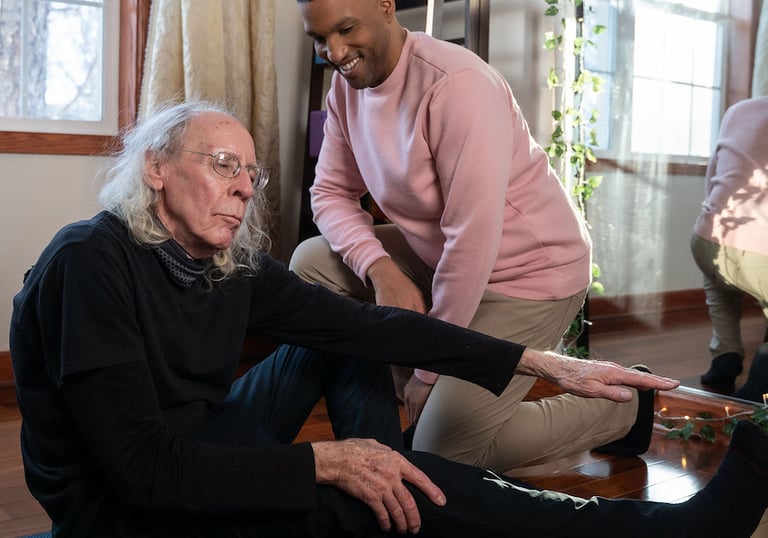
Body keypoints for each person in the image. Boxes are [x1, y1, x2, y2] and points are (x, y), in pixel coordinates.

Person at [10, 99, 768, 538]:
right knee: (392, 481)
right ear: (155, 169)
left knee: (345, 334)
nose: (243, 187)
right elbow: (143, 471)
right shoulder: (91, 262)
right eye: (220, 164)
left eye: (251, 170)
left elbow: (373, 332)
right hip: (123, 508)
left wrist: (541, 362)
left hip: (199, 441)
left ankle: (390, 498)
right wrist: (324, 463)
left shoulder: (226, 263)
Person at [289, 0, 643, 471]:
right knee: (312, 262)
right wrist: (381, 270)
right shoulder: (345, 89)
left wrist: (427, 370)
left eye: (346, 29)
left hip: (528, 276)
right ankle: (398, 427)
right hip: (442, 259)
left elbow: (472, 242)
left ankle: (625, 407)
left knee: (441, 454)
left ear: (386, 7)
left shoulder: (458, 85)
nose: (333, 52)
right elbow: (329, 193)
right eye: (319, 38)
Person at [692, 96, 768, 400]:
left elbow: (713, 178)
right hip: (759, 253)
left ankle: (725, 357)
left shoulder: (739, 110)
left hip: (706, 240)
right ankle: (760, 381)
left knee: (719, 283)